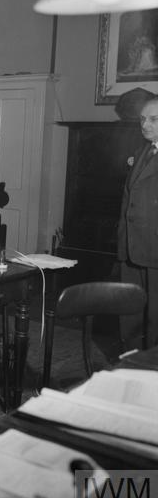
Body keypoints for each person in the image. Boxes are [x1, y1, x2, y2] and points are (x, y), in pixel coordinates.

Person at [117, 95, 158, 349]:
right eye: (143, 119)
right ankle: (129, 363)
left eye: (154, 119)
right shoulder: (143, 150)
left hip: (155, 250)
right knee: (130, 312)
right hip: (132, 246)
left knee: (156, 316)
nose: (145, 125)